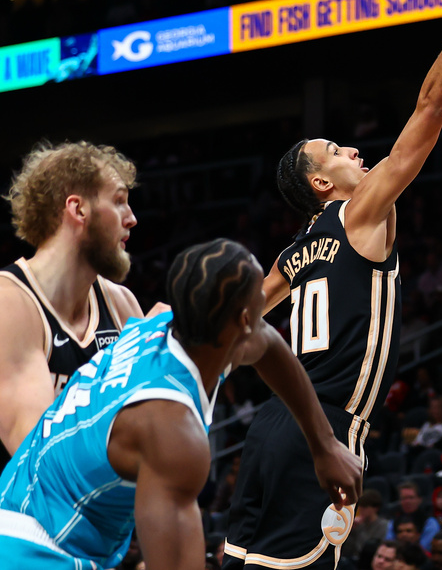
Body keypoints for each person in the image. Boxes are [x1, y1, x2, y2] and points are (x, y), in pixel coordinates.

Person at [223, 0, 442, 569]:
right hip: (322, 430)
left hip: (268, 431)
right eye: (337, 151)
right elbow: (432, 108)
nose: (355, 152)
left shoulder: (290, 256)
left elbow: (228, 324)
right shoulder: (358, 212)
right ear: (321, 184)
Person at [0, 239, 361, 569]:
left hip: (24, 501)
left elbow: (267, 345)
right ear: (244, 321)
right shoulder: (172, 429)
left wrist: (325, 445)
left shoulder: (174, 328)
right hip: (38, 551)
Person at [0, 141, 146, 466]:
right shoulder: (9, 303)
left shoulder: (121, 305)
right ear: (78, 209)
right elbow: (42, 461)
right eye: (119, 201)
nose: (132, 218)